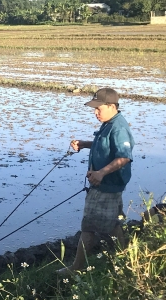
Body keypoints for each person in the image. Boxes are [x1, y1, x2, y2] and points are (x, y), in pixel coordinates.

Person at [57, 88, 134, 275]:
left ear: (111, 106)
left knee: (88, 227)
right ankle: (125, 258)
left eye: (98, 108)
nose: (95, 112)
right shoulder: (109, 123)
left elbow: (124, 157)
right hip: (108, 184)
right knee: (114, 223)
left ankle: (76, 268)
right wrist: (85, 144)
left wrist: (101, 173)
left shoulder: (119, 127)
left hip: (106, 186)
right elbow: (105, 145)